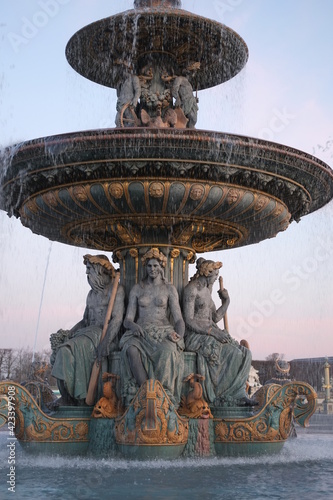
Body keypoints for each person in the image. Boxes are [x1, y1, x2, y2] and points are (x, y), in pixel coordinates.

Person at [51, 254, 125, 405]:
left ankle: (74, 397)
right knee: (61, 350)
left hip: (102, 334)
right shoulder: (91, 294)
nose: (87, 273)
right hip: (87, 333)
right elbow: (85, 320)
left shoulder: (116, 290)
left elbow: (117, 319)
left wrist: (106, 342)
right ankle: (68, 396)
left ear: (100, 271)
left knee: (66, 350)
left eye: (89, 269)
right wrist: (68, 334)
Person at [183, 258, 254, 406]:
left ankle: (238, 392)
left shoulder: (206, 292)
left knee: (245, 353)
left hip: (211, 331)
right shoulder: (192, 289)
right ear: (207, 273)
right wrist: (212, 332)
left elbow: (215, 317)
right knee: (232, 353)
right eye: (215, 274)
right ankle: (226, 395)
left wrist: (226, 302)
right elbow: (188, 320)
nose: (217, 277)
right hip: (196, 335)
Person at [119, 248, 185, 405]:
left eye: (156, 266)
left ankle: (163, 395)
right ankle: (146, 393)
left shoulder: (169, 289)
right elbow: (127, 319)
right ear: (145, 267)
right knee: (131, 350)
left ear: (162, 267)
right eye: (149, 266)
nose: (152, 269)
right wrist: (133, 326)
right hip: (140, 331)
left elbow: (179, 320)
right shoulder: (137, 288)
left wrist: (179, 334)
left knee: (167, 351)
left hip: (163, 331)